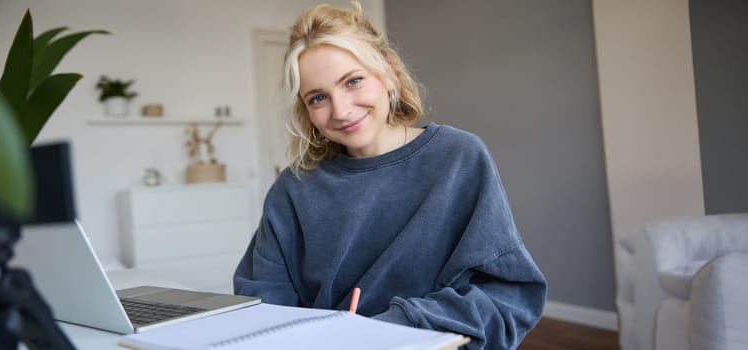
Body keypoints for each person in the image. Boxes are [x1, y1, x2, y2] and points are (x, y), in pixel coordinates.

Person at [233, 2, 547, 349]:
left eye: (353, 81)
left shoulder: (459, 158)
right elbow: (260, 299)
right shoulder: (292, 189)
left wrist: (394, 327)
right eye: (318, 98)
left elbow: (508, 295)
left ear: (389, 72)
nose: (341, 110)